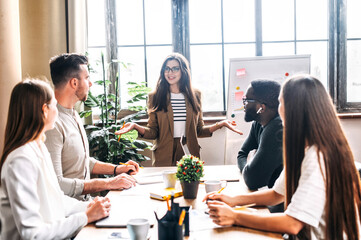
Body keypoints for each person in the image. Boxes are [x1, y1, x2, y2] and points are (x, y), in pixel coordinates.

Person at [204, 75, 361, 239]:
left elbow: (292, 224)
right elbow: (276, 195)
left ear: (295, 109)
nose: (278, 109)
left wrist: (235, 216)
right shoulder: (307, 148)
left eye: (281, 103)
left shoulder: (317, 157)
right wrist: (233, 199)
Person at [0, 79, 111, 239]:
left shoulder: (39, 147)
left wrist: (88, 206)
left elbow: (56, 200)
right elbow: (33, 235)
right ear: (45, 110)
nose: (58, 111)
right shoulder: (20, 161)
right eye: (54, 105)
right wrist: (85, 216)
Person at [115, 53, 243, 166]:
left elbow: (198, 130)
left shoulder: (195, 95)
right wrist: (136, 126)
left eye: (175, 68)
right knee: (165, 191)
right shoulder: (155, 96)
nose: (170, 73)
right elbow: (153, 132)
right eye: (167, 69)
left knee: (189, 191)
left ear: (183, 71)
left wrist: (221, 124)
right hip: (164, 153)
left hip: (189, 152)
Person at [45, 53, 137, 201]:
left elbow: (80, 160)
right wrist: (108, 183)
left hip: (85, 206)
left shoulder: (74, 114)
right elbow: (56, 184)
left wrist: (116, 169)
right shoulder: (52, 124)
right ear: (74, 83)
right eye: (87, 78)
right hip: (69, 215)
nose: (90, 83)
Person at [237, 80, 283, 190]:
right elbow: (242, 154)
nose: (244, 105)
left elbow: (252, 180)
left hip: (283, 202)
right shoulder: (258, 123)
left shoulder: (277, 127)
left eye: (247, 100)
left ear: (261, 107)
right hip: (269, 194)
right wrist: (248, 169)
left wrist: (249, 170)